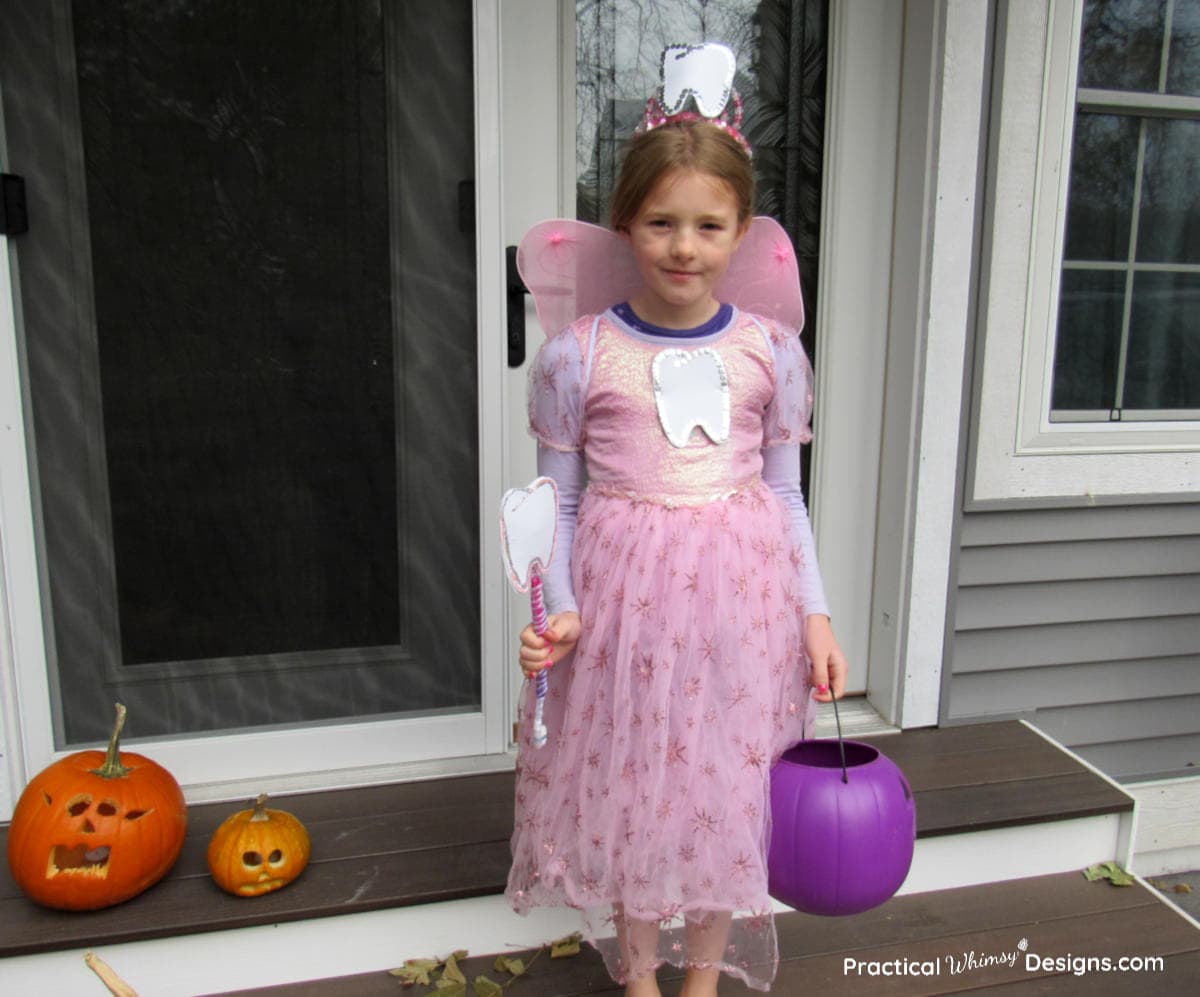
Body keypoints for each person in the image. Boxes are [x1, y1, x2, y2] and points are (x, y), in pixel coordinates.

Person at [505, 44, 847, 996]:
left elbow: (785, 494)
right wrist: (561, 605)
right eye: (661, 223)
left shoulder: (771, 353)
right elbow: (559, 501)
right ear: (626, 225)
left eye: (708, 224)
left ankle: (702, 973)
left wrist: (814, 612)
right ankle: (641, 970)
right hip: (623, 613)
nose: (683, 247)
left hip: (741, 606)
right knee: (640, 783)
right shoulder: (580, 355)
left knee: (720, 781)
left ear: (740, 231)